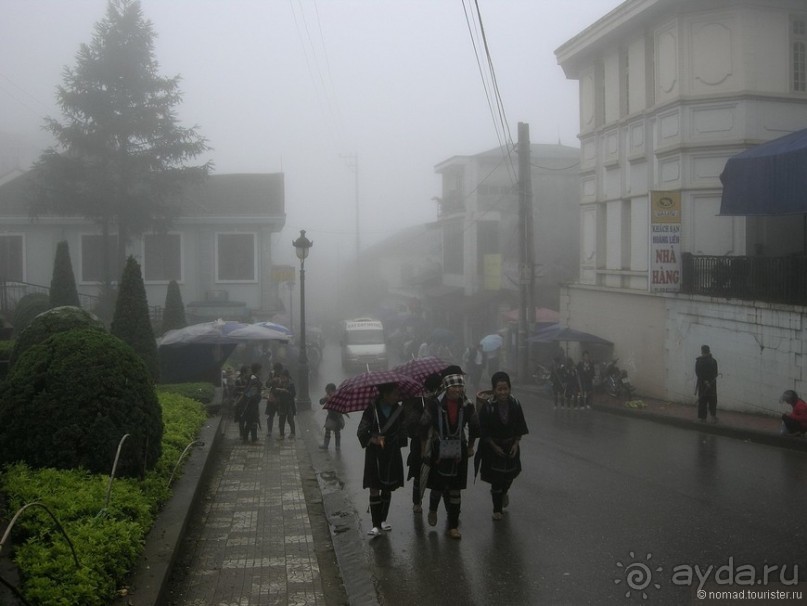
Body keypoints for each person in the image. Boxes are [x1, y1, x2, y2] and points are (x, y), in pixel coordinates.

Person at [420, 368, 478, 539]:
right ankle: (432, 509)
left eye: (460, 386)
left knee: (455, 489)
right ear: (446, 387)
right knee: (437, 487)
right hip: (439, 449)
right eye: (454, 386)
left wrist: (470, 447)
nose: (457, 390)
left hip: (459, 450)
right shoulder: (434, 404)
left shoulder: (467, 405)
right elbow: (423, 426)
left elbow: (475, 426)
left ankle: (453, 526)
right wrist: (424, 450)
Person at [475, 371, 529, 520]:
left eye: (506, 388)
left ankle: (505, 492)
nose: (503, 392)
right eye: (499, 389)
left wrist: (516, 444)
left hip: (511, 446)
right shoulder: (488, 407)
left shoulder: (515, 404)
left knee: (509, 477)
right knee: (497, 480)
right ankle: (497, 509)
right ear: (494, 390)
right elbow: (484, 430)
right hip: (494, 449)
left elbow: (520, 426)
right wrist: (494, 446)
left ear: (509, 389)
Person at [357, 382, 408, 538]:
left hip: (392, 454)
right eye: (394, 393)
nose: (397, 397)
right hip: (375, 455)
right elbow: (361, 431)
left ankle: (383, 519)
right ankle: (375, 524)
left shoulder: (399, 411)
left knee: (387, 487)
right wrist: (374, 439)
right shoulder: (371, 409)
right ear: (385, 394)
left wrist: (394, 439)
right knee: (374, 487)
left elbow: (404, 433)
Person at [403, 372, 443, 513]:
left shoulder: (441, 402)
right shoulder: (420, 403)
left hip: (437, 444)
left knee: (436, 474)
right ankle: (417, 502)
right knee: (418, 472)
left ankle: (421, 503)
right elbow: (412, 425)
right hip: (420, 444)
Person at [267, 369, 295, 440]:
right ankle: (281, 434)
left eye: (283, 377)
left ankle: (292, 433)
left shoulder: (291, 384)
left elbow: (293, 394)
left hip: (289, 404)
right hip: (282, 404)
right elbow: (275, 391)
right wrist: (277, 391)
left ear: (287, 377)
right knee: (281, 420)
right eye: (281, 377)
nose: (282, 379)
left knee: (290, 419)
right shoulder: (280, 383)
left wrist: (287, 391)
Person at [695, 345, 719, 423]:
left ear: (702, 351)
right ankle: (713, 417)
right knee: (712, 400)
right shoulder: (713, 361)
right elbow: (715, 373)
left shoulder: (699, 361)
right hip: (712, 385)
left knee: (702, 400)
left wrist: (705, 381)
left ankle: (703, 418)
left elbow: (698, 373)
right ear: (709, 351)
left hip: (702, 384)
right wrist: (709, 381)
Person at [241, 362, 263, 443]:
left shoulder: (254, 378)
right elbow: (251, 393)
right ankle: (245, 438)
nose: (261, 371)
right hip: (250, 404)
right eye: (260, 369)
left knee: (254, 420)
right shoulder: (254, 379)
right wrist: (259, 396)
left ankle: (254, 437)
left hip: (252, 403)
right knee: (251, 421)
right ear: (257, 370)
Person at [319, 382, 346, 451]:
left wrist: (332, 399)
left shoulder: (338, 397)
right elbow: (321, 402)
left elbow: (341, 407)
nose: (327, 392)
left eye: (328, 391)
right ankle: (326, 445)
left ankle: (337, 446)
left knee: (337, 431)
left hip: (337, 417)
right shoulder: (327, 396)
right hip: (330, 416)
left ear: (332, 390)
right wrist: (325, 398)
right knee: (327, 430)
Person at [264, 362, 284, 436]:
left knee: (281, 416)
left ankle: (281, 431)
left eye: (279, 370)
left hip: (281, 397)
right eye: (276, 370)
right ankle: (269, 431)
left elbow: (286, 385)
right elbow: (267, 384)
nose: (278, 371)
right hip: (272, 397)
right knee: (270, 415)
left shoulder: (283, 375)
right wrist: (272, 380)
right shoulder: (272, 374)